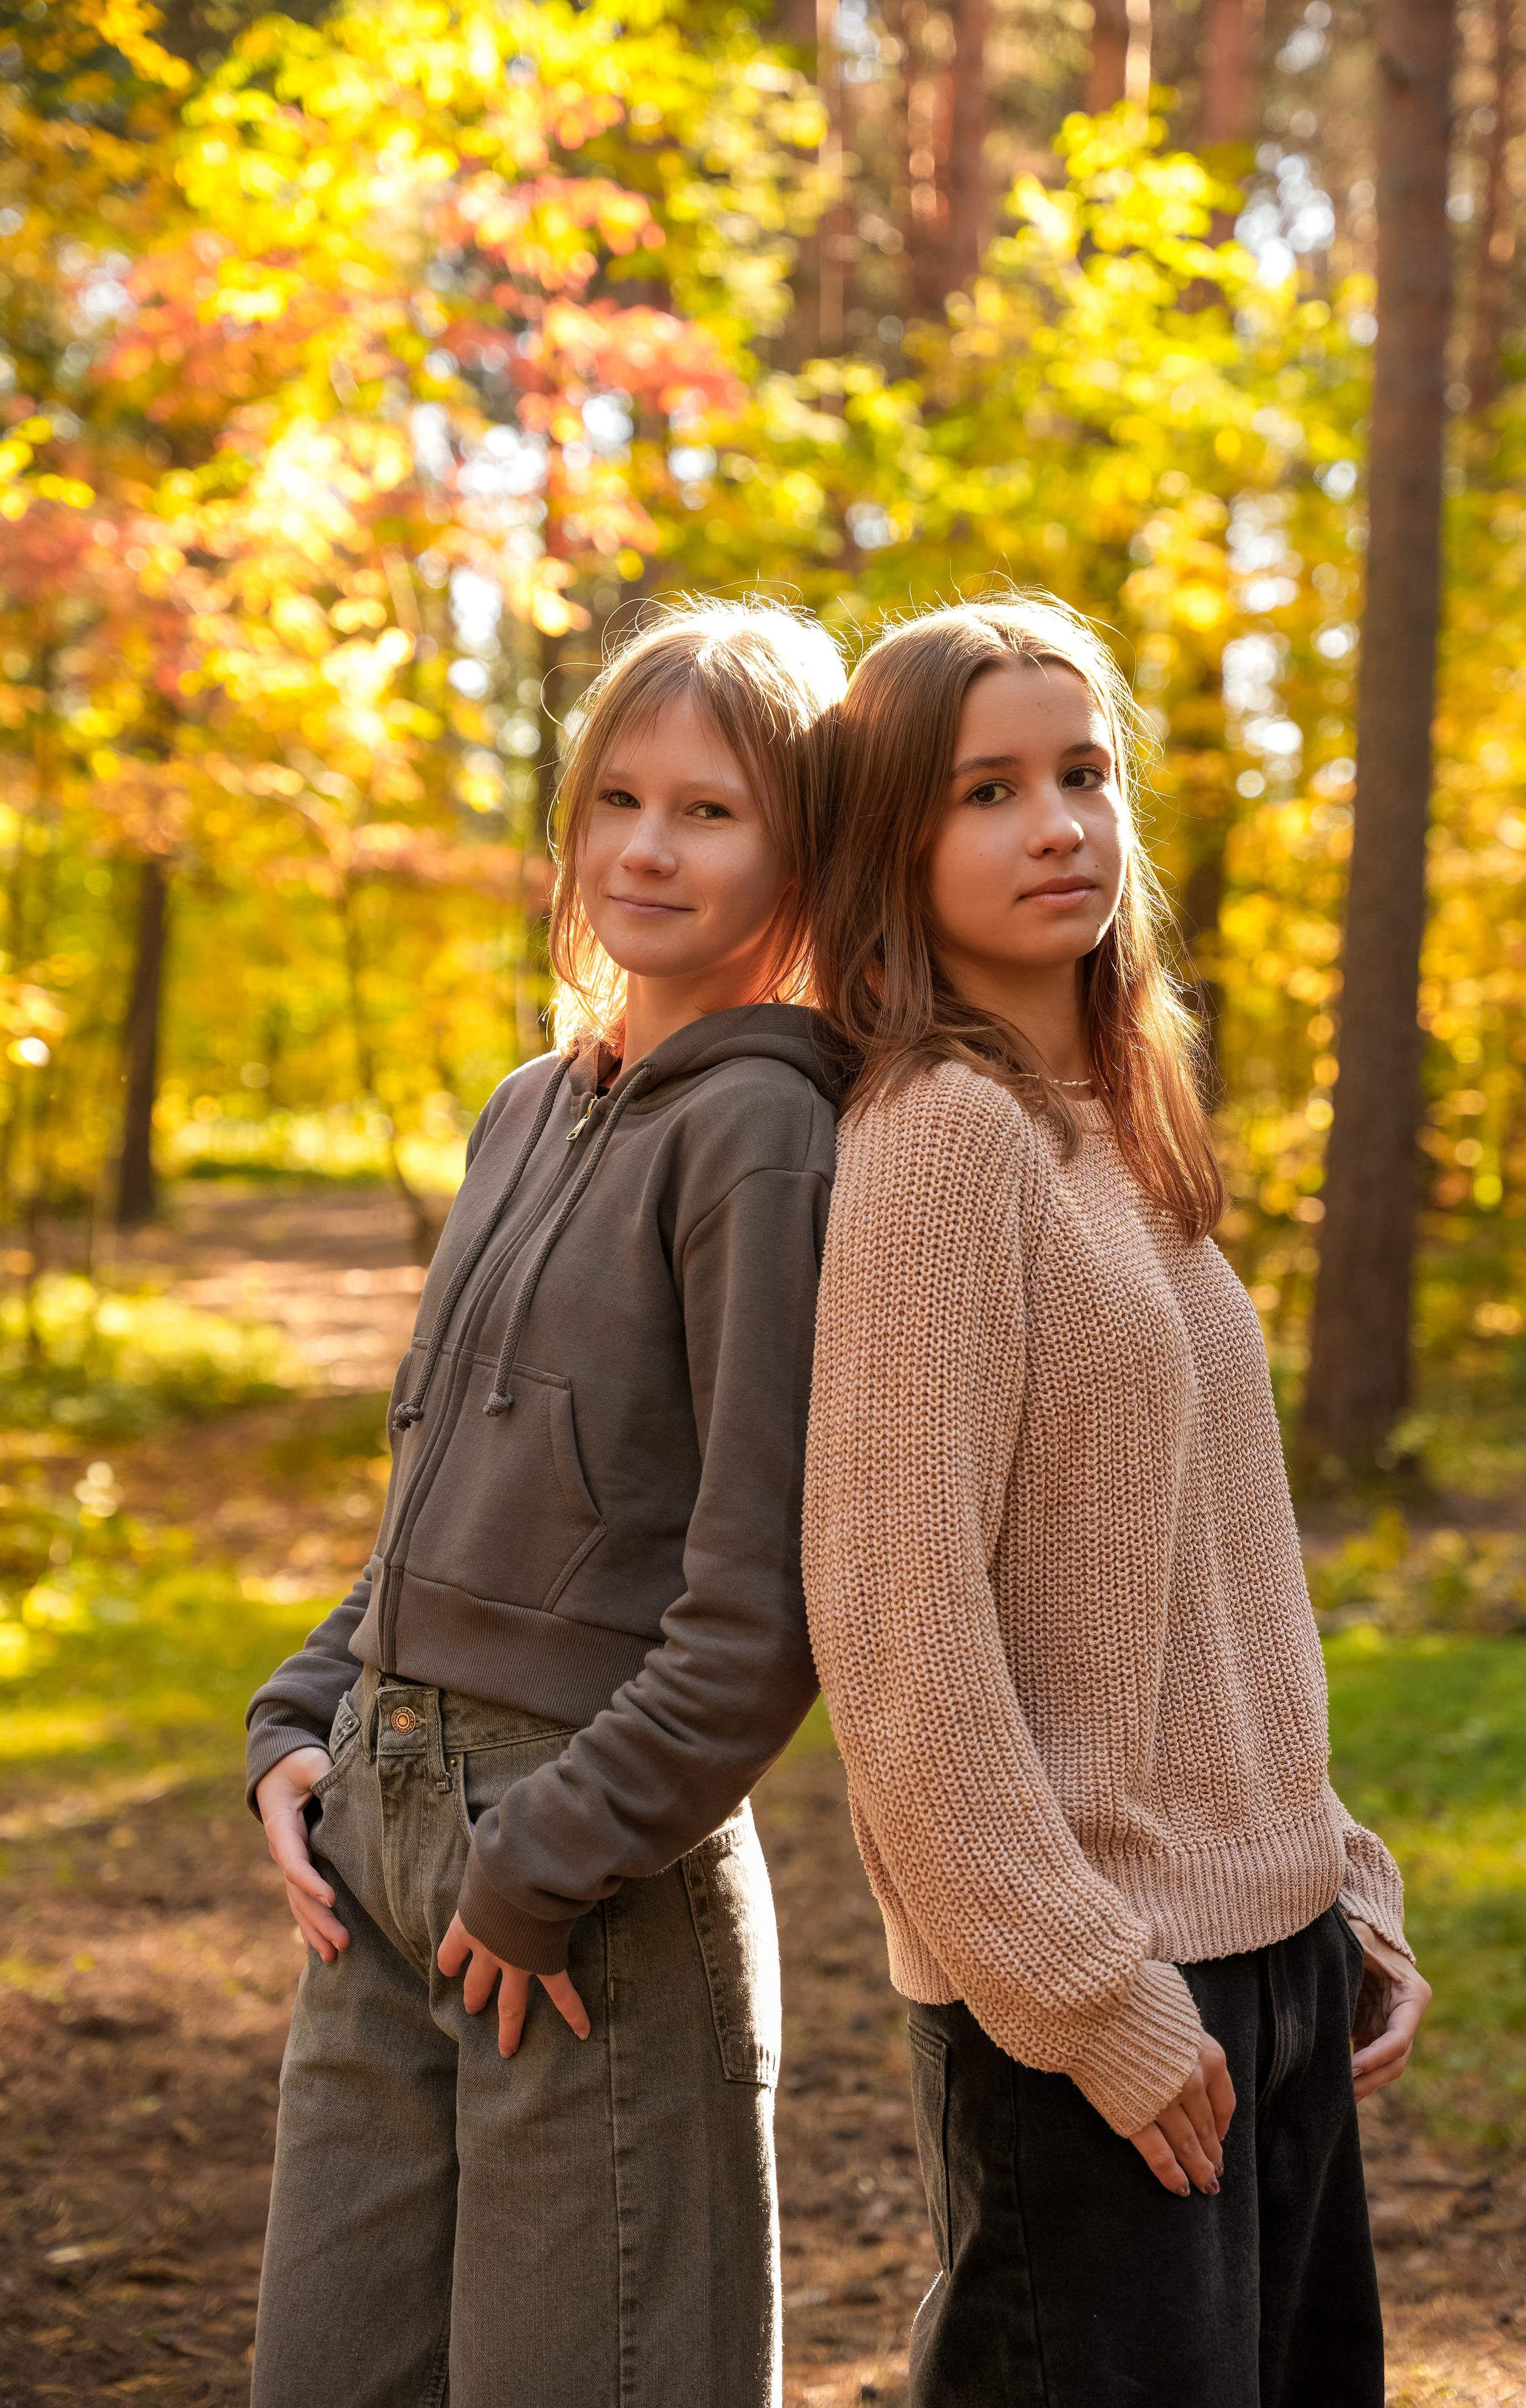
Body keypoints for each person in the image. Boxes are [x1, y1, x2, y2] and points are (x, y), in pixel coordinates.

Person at [801, 595, 1431, 2408]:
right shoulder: (938, 1140)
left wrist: (1339, 1886)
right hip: (1092, 1993)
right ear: (893, 846)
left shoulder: (1117, 1124)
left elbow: (1220, 1572)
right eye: (986, 790)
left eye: (1082, 773)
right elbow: (899, 1630)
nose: (1058, 823)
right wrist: (1086, 1995)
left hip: (1272, 1962)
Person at [245, 598, 846, 2408]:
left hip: (591, 1881)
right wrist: (301, 1720)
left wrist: (539, 1864)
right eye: (617, 799)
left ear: (802, 845)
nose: (646, 848)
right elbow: (437, 1498)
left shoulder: (769, 1137)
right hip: (383, 1824)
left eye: (712, 811)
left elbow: (759, 1616)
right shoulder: (526, 1106)